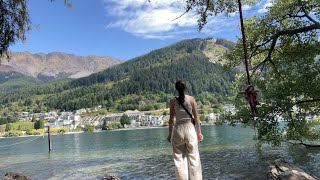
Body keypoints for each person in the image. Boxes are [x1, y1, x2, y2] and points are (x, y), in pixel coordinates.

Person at [167, 80, 203, 180]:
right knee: (194, 158)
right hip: (190, 129)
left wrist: (170, 135)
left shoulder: (173, 101)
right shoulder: (191, 99)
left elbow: (171, 120)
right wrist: (199, 132)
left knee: (179, 159)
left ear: (176, 89)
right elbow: (196, 118)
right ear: (185, 88)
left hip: (178, 130)